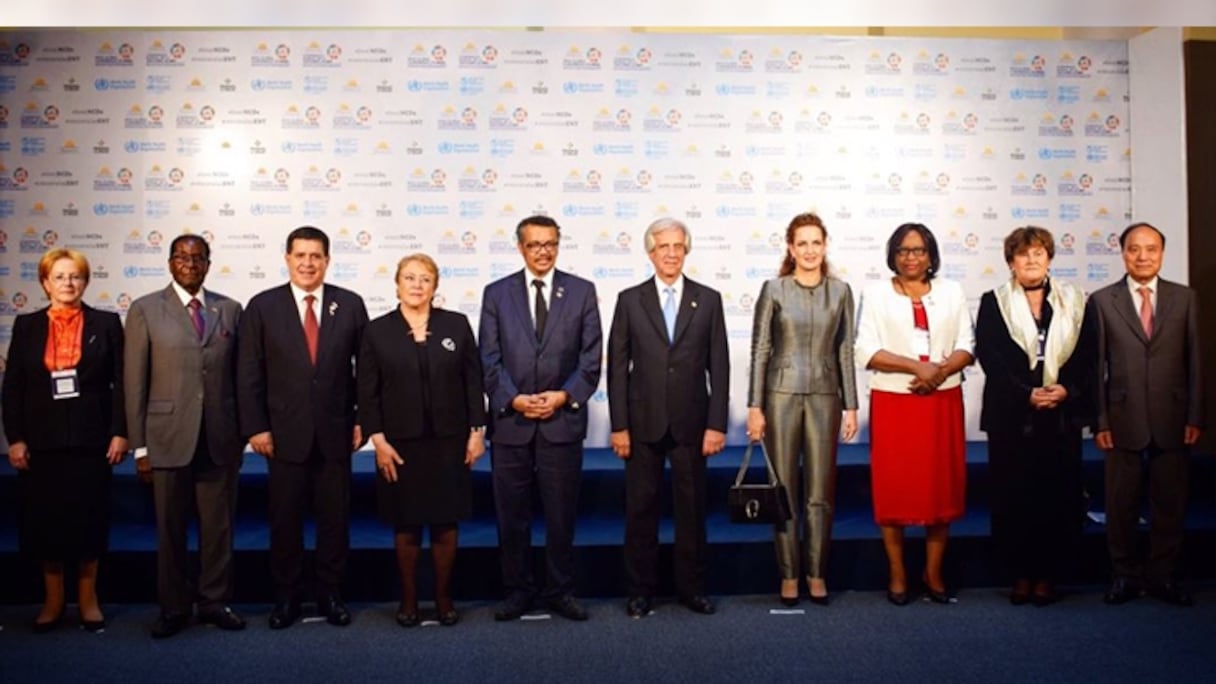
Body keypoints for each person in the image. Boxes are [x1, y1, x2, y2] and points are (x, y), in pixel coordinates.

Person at [237, 226, 369, 629]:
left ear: (327, 260)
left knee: (334, 520)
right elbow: (248, 372)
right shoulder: (262, 306)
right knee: (285, 521)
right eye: (300, 255)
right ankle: (288, 598)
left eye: (316, 256)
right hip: (282, 436)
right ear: (287, 258)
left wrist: (363, 419)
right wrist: (256, 427)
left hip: (336, 433)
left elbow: (366, 369)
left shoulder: (349, 304)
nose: (308, 263)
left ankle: (331, 594)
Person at [479, 215, 602, 621]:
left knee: (561, 515)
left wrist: (564, 395)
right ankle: (517, 591)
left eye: (550, 243)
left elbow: (590, 358)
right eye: (535, 244)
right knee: (511, 516)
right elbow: (489, 358)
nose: (543, 251)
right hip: (511, 425)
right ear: (520, 248)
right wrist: (512, 400)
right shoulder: (496, 294)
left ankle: (560, 590)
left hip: (560, 422)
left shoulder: (582, 292)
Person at [124, 235, 246, 637]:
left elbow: (240, 379)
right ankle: (174, 607)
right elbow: (134, 384)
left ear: (209, 264)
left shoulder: (230, 309)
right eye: (182, 257)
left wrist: (241, 436)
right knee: (170, 529)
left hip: (218, 439)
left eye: (198, 257)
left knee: (218, 529)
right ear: (170, 263)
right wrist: (140, 446)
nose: (190, 263)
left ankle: (214, 601)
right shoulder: (145, 310)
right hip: (167, 438)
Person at [607, 218, 728, 618]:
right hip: (642, 426)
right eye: (664, 247)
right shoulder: (629, 300)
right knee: (640, 511)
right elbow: (617, 367)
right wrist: (619, 426)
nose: (671, 253)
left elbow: (720, 366)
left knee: (692, 512)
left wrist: (716, 424)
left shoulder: (708, 299)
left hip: (693, 425)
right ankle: (640, 591)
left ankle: (692, 589)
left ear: (686, 251)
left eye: (678, 246)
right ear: (650, 253)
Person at [358, 254, 486, 628]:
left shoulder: (457, 325)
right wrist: (377, 440)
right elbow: (367, 391)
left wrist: (477, 432)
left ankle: (444, 598)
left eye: (425, 278)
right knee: (407, 525)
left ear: (435, 286)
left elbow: (473, 382)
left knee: (447, 524)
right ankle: (410, 600)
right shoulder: (377, 330)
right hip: (399, 444)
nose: (417, 285)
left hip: (450, 442)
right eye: (409, 278)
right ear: (396, 284)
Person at [2, 248, 127, 632]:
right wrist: (16, 439)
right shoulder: (26, 325)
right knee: (45, 522)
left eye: (75, 276)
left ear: (86, 281)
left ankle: (88, 599)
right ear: (45, 283)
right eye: (59, 277)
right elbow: (14, 388)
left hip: (92, 441)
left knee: (89, 520)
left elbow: (122, 382)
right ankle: (53, 600)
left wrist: (121, 431)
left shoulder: (106, 323)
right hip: (41, 444)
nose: (68, 284)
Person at [855, 223, 974, 606]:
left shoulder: (952, 291)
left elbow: (966, 345)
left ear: (931, 255)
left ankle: (933, 573)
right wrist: (916, 368)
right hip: (895, 401)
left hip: (941, 401)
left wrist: (936, 373)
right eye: (904, 250)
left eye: (919, 250)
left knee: (940, 486)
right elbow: (866, 350)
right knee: (895, 488)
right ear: (893, 254)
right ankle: (898, 574)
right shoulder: (875, 294)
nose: (911, 257)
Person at [1087, 222, 1204, 607]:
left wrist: (1195, 415)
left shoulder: (1184, 298)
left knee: (1170, 502)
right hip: (1122, 418)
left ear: (1162, 253)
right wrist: (1100, 420)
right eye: (1134, 249)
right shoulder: (1104, 300)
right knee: (1120, 504)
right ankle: (1124, 576)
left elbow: (1196, 363)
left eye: (1150, 249)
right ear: (1122, 253)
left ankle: (1162, 576)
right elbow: (1096, 367)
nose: (1142, 256)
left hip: (1173, 416)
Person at [746, 213, 859, 606]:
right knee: (784, 490)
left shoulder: (841, 291)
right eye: (802, 243)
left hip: (827, 396)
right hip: (780, 395)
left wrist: (852, 406)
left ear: (825, 246)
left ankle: (816, 573)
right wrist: (755, 406)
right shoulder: (774, 290)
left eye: (816, 242)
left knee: (820, 493)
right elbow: (760, 349)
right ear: (791, 248)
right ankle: (789, 575)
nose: (810, 250)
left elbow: (845, 350)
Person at [974, 227, 1091, 606]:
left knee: (1056, 496)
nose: (1032, 260)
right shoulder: (994, 302)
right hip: (1012, 417)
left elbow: (1087, 355)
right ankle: (1021, 575)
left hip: (1060, 416)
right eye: (1023, 255)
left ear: (1050, 258)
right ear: (1011, 261)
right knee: (1014, 497)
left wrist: (1066, 390)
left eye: (1039, 253)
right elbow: (991, 357)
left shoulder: (1073, 301)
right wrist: (1027, 394)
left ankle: (1049, 576)